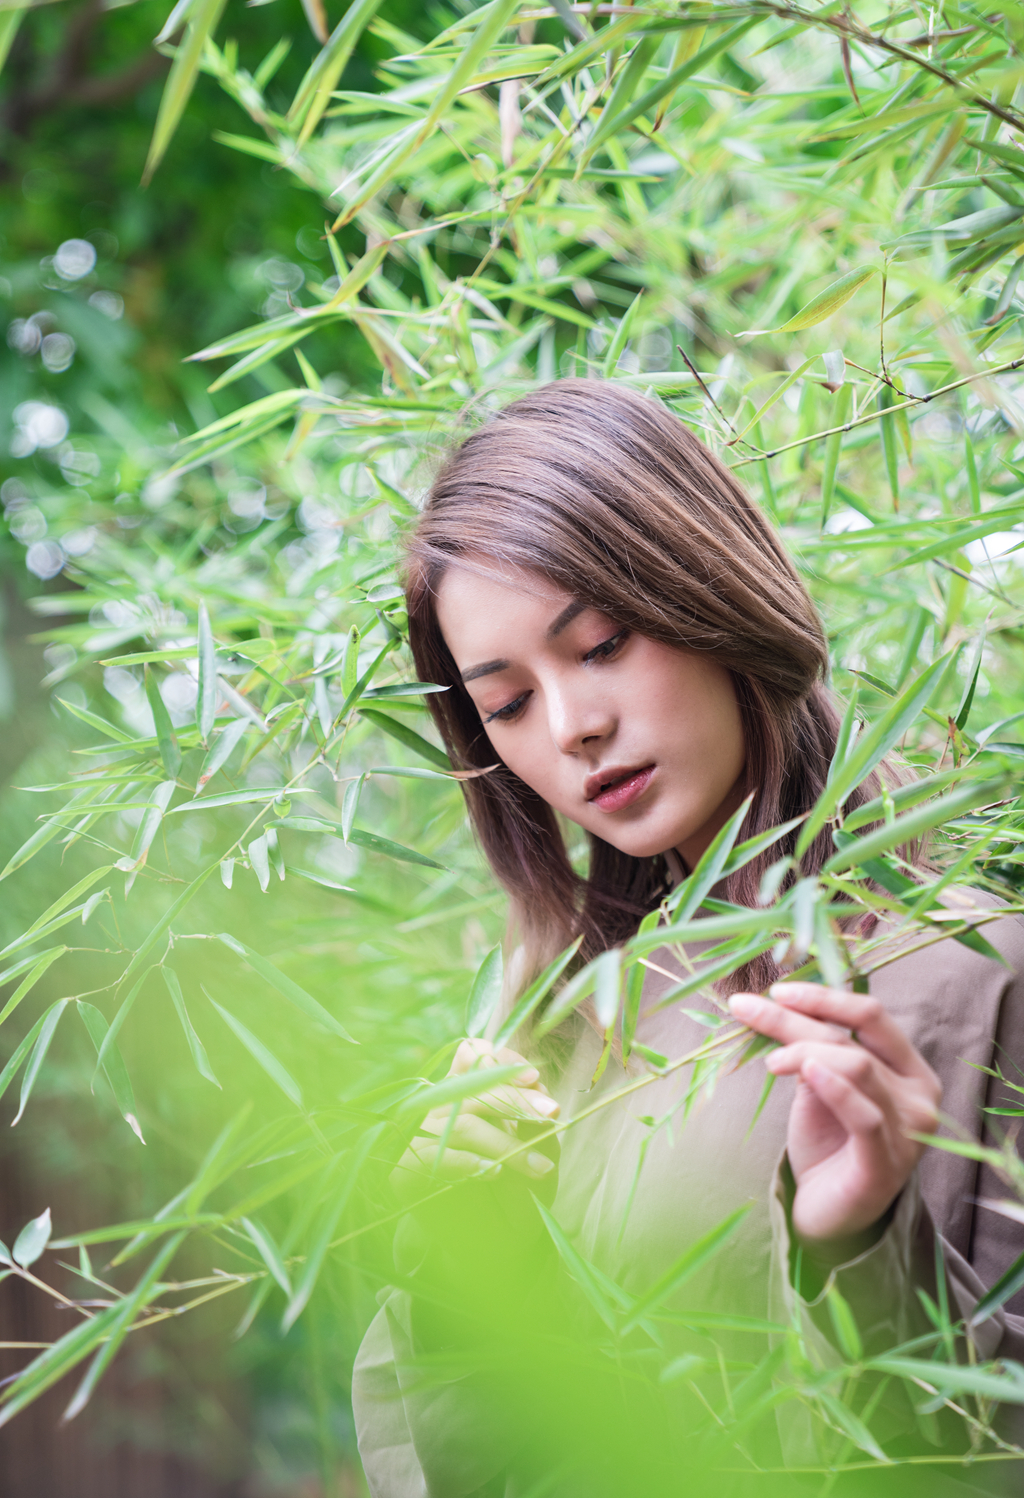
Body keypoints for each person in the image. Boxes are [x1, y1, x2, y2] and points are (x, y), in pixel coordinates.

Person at [352, 379, 1024, 1497]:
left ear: (707, 588)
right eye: (507, 703)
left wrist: (854, 1252)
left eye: (603, 641)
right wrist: (466, 1271)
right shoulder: (554, 1026)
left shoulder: (962, 973)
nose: (573, 726)